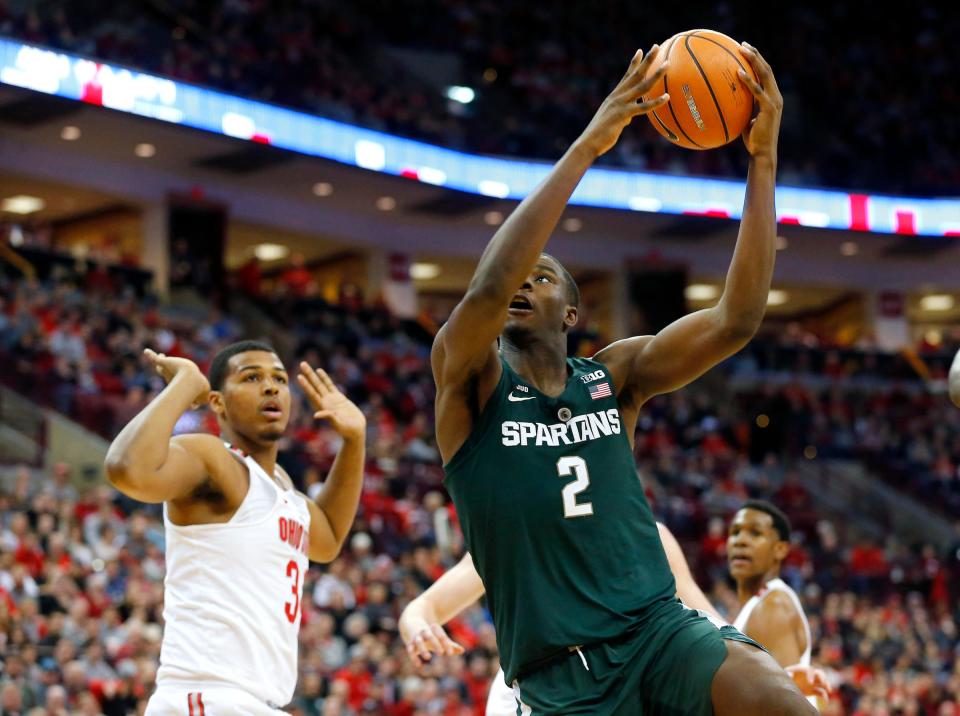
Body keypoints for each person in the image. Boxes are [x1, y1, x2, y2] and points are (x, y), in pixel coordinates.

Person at [431, 41, 813, 714]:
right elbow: (489, 284)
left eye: (542, 276)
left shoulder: (615, 376)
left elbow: (736, 320)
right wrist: (587, 146)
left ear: (572, 311)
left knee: (779, 700)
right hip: (558, 675)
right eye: (519, 272)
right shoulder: (469, 384)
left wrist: (762, 159)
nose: (522, 279)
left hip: (659, 635)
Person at [105, 340, 366, 714]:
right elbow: (125, 467)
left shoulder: (281, 485)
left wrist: (354, 440)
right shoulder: (214, 459)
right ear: (217, 402)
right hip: (208, 695)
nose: (271, 386)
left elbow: (328, 539)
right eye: (251, 377)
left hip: (254, 703)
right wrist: (185, 385)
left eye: (279, 378)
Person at [399, 523, 720, 716]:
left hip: (624, 677)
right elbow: (421, 608)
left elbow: (713, 622)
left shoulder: (649, 535)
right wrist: (418, 627)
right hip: (537, 686)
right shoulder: (515, 538)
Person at [728, 501, 830, 706]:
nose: (740, 541)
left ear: (780, 549)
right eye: (735, 532)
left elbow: (783, 709)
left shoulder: (773, 606)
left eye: (755, 533)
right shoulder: (756, 605)